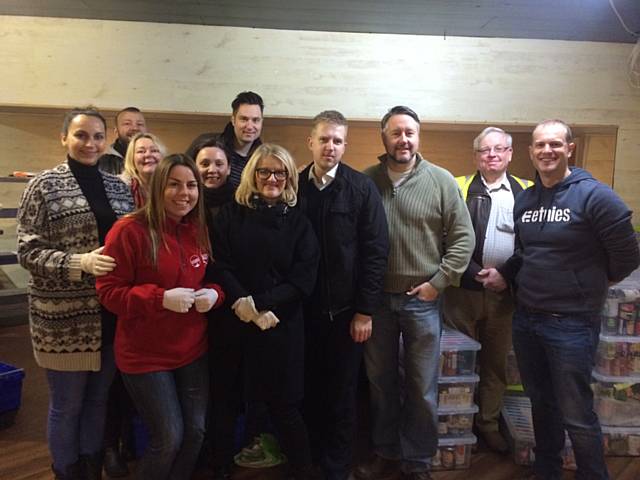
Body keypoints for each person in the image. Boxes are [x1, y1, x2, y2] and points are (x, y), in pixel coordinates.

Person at [500, 120, 640, 480]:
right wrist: (504, 275)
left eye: (555, 144)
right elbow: (527, 252)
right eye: (540, 145)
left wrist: (596, 281)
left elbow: (628, 254)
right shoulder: (526, 200)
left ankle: (593, 474)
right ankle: (547, 470)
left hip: (573, 324)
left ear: (569, 148)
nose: (547, 151)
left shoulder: (596, 196)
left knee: (576, 412)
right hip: (527, 319)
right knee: (541, 405)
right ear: (531, 151)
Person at [354, 106, 474, 480]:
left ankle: (418, 460)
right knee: (381, 383)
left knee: (422, 386)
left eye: (410, 132)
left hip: (422, 301)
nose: (403, 139)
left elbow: (462, 238)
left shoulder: (440, 180)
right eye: (395, 132)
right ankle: (386, 452)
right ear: (383, 137)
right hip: (377, 303)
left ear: (418, 137)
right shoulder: (366, 181)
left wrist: (437, 283)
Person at [16, 107, 135, 480]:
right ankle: (67, 472)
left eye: (98, 136)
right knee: (67, 405)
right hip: (64, 320)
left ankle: (90, 466)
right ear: (64, 137)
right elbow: (27, 250)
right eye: (81, 135)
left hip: (110, 316)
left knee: (99, 400)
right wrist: (78, 262)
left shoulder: (118, 187)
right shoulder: (44, 185)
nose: (90, 143)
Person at [96, 154, 225, 480]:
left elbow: (209, 278)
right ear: (158, 188)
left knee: (195, 433)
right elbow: (109, 293)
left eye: (192, 185)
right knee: (168, 438)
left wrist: (215, 294)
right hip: (144, 355)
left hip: (192, 349)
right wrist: (160, 298)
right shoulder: (129, 230)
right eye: (175, 185)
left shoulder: (197, 228)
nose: (185, 193)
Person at [210, 143, 321, 479]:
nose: (272, 178)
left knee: (284, 405)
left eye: (279, 172)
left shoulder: (300, 222)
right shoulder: (230, 214)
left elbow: (304, 279)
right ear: (252, 174)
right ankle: (218, 467)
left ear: (288, 178)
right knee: (228, 401)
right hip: (235, 321)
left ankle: (304, 470)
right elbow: (221, 264)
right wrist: (244, 302)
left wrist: (261, 304)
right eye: (264, 171)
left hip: (281, 325)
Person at [298, 110, 389, 480]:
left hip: (346, 315)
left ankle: (336, 468)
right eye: (324, 139)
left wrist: (365, 312)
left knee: (341, 395)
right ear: (311, 142)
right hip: (301, 314)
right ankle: (309, 460)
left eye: (337, 141)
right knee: (305, 391)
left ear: (344, 145)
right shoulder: (294, 186)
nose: (330, 147)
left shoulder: (360, 188)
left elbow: (375, 251)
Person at [442, 127, 532, 453]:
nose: (492, 154)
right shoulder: (457, 186)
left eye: (499, 149)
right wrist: (478, 273)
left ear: (510, 153)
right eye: (485, 150)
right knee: (457, 364)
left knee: (495, 364)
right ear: (476, 155)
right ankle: (457, 425)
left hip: (506, 295)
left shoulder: (528, 191)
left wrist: (506, 275)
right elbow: (444, 237)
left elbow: (534, 244)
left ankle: (488, 425)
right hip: (460, 293)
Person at [187, 134, 235, 224]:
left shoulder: (241, 204)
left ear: (229, 169)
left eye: (219, 164)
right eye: (205, 164)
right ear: (194, 168)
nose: (212, 170)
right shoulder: (185, 202)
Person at [221, 91, 264, 186]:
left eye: (255, 120)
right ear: (233, 120)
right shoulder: (209, 148)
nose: (249, 126)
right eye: (244, 119)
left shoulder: (264, 158)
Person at [121, 132, 166, 207]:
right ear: (131, 158)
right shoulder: (121, 186)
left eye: (154, 151)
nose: (148, 155)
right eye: (141, 151)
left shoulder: (171, 185)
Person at [98, 107, 147, 175]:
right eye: (127, 123)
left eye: (140, 124)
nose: (135, 128)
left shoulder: (156, 160)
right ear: (116, 130)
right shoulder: (101, 162)